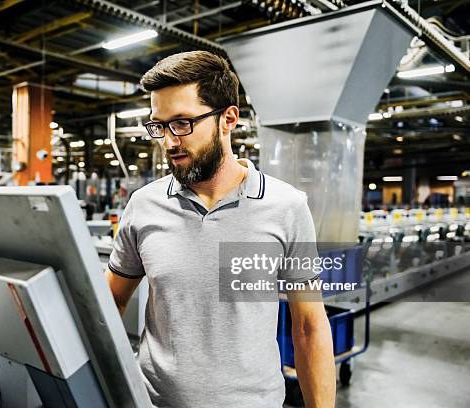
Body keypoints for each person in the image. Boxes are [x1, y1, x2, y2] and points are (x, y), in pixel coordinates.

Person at [106, 51, 335, 408]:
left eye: (182, 123)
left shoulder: (286, 207)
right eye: (159, 126)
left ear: (228, 118)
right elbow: (109, 302)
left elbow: (309, 327)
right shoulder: (144, 205)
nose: (168, 141)